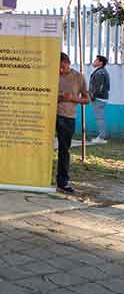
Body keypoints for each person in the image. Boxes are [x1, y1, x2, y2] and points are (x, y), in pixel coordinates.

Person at [56, 53, 89, 194]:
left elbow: (87, 99)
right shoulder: (51, 74)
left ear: (68, 62)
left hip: (68, 117)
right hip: (49, 115)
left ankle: (63, 182)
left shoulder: (79, 77)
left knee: (64, 150)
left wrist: (72, 98)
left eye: (63, 66)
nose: (61, 69)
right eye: (58, 67)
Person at [89, 55, 110, 144]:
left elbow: (99, 87)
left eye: (96, 60)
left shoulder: (100, 72)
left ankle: (101, 138)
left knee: (99, 118)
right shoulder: (101, 71)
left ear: (100, 63)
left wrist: (93, 96)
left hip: (99, 99)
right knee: (100, 118)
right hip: (101, 98)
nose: (94, 61)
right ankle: (102, 136)